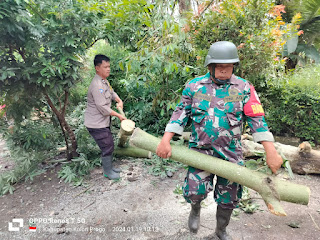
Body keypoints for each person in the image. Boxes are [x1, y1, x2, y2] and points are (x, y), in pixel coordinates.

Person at [156, 41, 283, 240]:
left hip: (230, 154)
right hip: (200, 151)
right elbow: (180, 113)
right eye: (220, 67)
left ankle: (220, 230)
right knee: (194, 191)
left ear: (234, 66)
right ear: (210, 66)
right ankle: (195, 209)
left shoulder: (243, 88)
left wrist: (271, 151)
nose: (224, 71)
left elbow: (257, 119)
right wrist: (165, 140)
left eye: (229, 67)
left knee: (229, 199)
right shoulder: (194, 86)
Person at [84, 54, 126, 180]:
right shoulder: (97, 85)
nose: (108, 69)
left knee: (109, 144)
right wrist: (119, 115)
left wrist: (118, 99)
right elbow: (103, 108)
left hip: (102, 121)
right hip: (96, 124)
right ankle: (108, 172)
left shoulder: (104, 81)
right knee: (107, 146)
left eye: (109, 66)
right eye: (105, 67)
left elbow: (111, 92)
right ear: (97, 68)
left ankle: (110, 168)